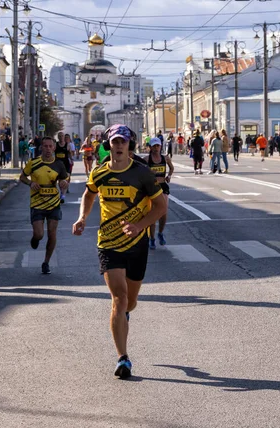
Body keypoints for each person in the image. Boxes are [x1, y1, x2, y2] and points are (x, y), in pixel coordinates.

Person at [72, 124, 167, 379]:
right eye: (115, 142)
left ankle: (124, 315)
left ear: (130, 145)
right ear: (108, 145)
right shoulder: (99, 172)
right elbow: (88, 194)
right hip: (109, 242)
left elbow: (160, 206)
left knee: (131, 303)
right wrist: (82, 217)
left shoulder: (142, 173)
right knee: (119, 298)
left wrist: (139, 226)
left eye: (123, 142)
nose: (119, 146)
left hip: (137, 244)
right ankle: (123, 358)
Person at [20, 136, 69, 274]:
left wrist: (64, 184)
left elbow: (64, 180)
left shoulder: (59, 164)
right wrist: (31, 183)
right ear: (41, 147)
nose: (48, 149)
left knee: (52, 234)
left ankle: (46, 262)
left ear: (54, 148)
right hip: (37, 204)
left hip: (54, 204)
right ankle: (35, 238)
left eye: (50, 146)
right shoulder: (34, 162)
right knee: (40, 234)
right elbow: (22, 177)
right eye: (45, 146)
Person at [146, 137, 173, 249]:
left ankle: (160, 233)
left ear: (160, 146)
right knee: (153, 213)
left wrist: (169, 176)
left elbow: (171, 168)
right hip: (152, 187)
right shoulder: (147, 159)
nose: (156, 148)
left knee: (163, 211)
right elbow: (140, 170)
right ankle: (151, 239)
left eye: (158, 146)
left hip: (162, 186)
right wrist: (148, 173)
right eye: (154, 146)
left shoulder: (165, 158)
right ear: (151, 147)